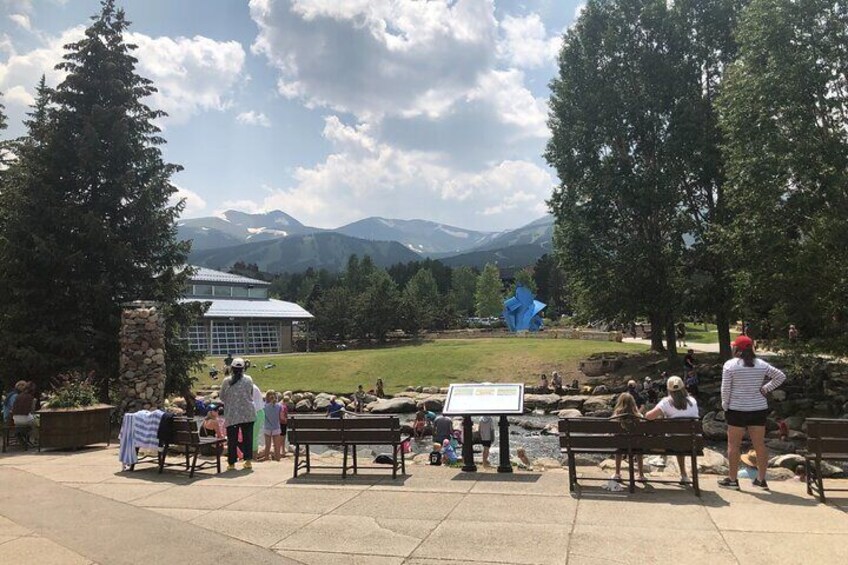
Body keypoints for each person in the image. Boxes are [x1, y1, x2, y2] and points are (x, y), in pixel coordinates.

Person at [718, 335, 786, 490]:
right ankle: (761, 479)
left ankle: (733, 479)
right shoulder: (761, 364)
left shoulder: (730, 365)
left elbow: (725, 389)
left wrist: (725, 405)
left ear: (737, 349)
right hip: (757, 409)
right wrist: (765, 389)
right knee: (759, 445)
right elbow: (780, 376)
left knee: (733, 445)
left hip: (736, 409)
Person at [644, 376, 699, 485]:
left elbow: (648, 416)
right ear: (683, 387)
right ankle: (684, 475)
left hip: (673, 444)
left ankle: (641, 472)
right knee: (680, 440)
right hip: (692, 443)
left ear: (668, 389)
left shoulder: (666, 402)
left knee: (673, 440)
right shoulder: (692, 401)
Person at [219, 358, 256, 471]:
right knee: (248, 438)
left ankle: (231, 463)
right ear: (243, 368)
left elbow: (222, 397)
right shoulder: (249, 379)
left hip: (232, 414)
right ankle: (248, 461)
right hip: (248, 413)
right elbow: (251, 393)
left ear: (232, 368)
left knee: (232, 439)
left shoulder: (227, 381)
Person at [611, 393, 645, 482]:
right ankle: (641, 475)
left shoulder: (615, 417)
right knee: (639, 448)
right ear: (633, 403)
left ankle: (617, 473)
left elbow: (611, 433)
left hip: (621, 446)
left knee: (618, 447)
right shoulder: (639, 416)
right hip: (636, 445)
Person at [258, 390, 283, 461]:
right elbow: (281, 417)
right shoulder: (279, 406)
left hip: (267, 428)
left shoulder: (265, 407)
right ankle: (278, 459)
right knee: (277, 446)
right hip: (276, 427)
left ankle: (266, 458)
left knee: (267, 446)